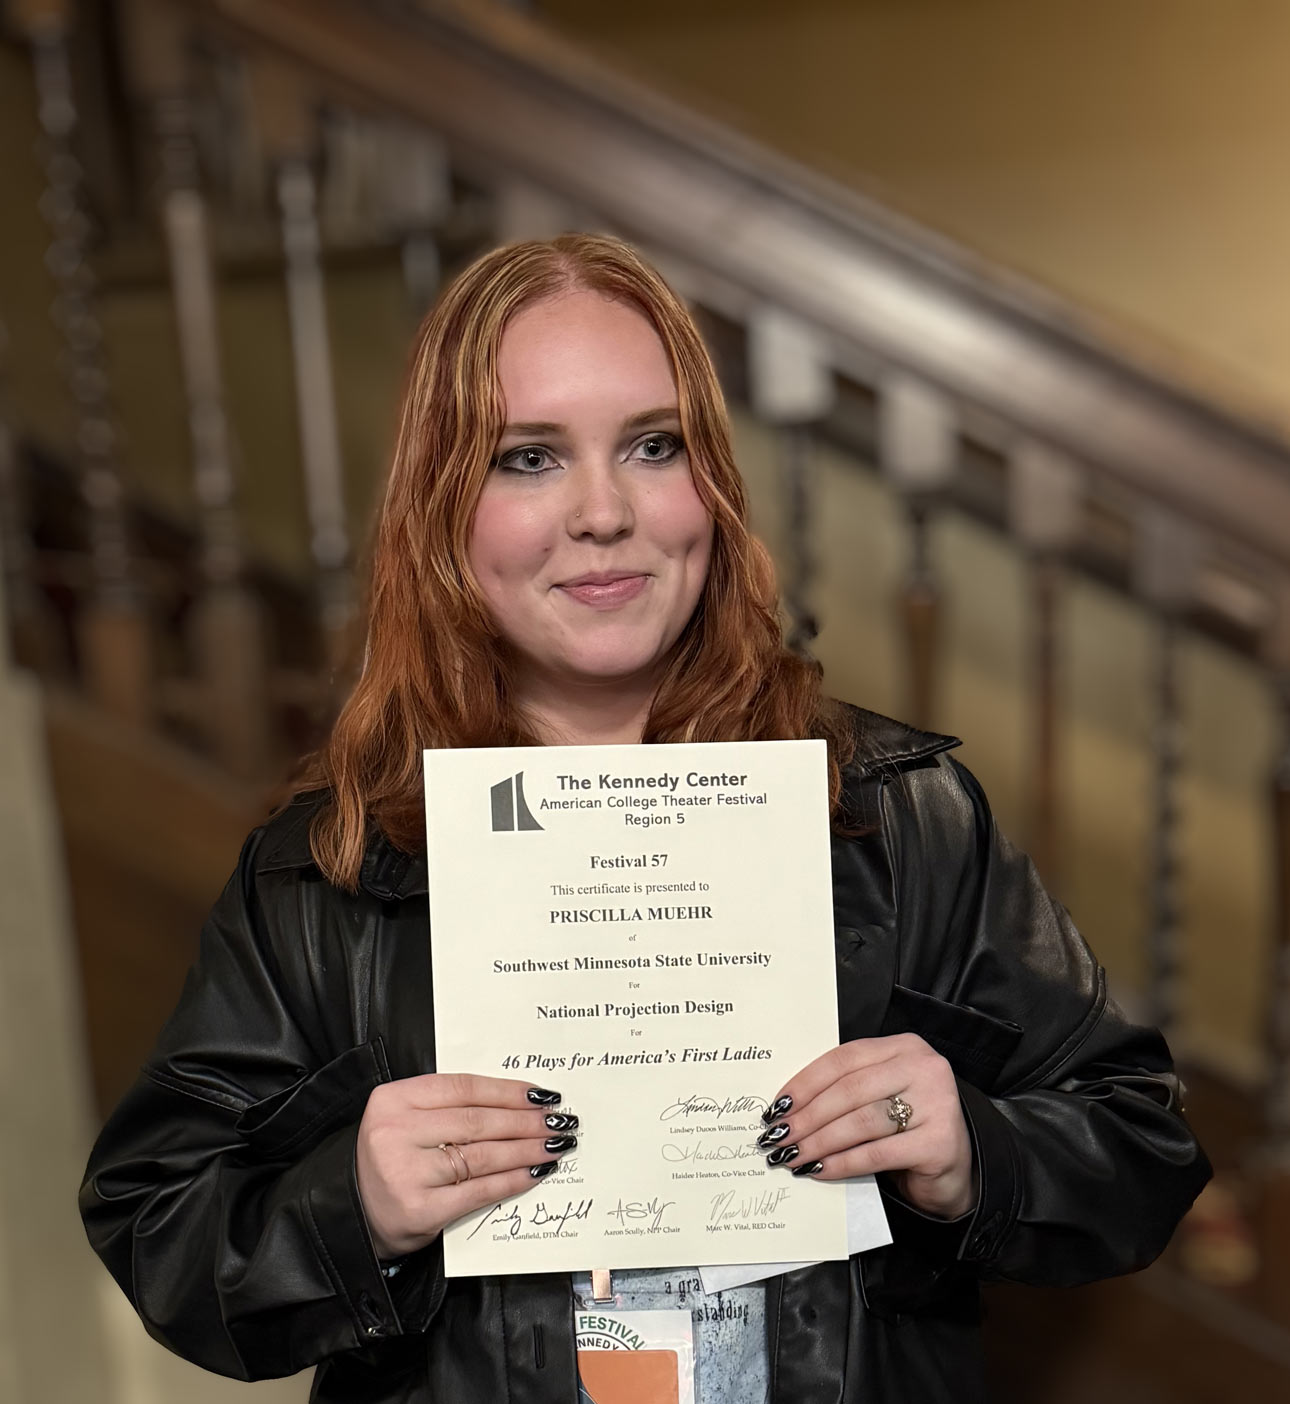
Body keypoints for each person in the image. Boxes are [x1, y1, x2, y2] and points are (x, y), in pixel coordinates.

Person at [80, 233, 1210, 1403]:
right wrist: (346, 1203)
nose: (603, 512)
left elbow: (1138, 1146)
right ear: (439, 509)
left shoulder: (892, 812)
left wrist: (976, 1149)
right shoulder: (331, 866)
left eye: (651, 446)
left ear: (710, 484)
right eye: (527, 458)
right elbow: (159, 1224)